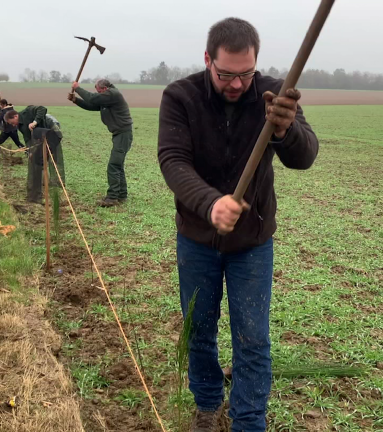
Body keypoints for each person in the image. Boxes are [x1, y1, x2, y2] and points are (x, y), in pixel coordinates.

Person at [157, 18, 319, 432]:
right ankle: (208, 406)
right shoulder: (181, 97)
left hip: (252, 243)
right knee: (199, 330)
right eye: (226, 74)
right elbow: (173, 161)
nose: (236, 84)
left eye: (245, 74)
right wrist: (211, 204)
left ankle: (248, 421)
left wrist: (286, 129)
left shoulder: (274, 95)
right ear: (208, 59)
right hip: (197, 239)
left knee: (252, 338)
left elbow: (305, 156)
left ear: (256, 64)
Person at [68, 79, 133, 207]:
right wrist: (76, 100)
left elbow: (92, 99)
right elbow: (92, 105)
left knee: (113, 165)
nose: (97, 93)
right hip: (119, 134)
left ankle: (112, 198)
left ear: (104, 89)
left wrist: (77, 88)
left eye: (98, 91)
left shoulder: (113, 94)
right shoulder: (107, 98)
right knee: (118, 165)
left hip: (123, 134)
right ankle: (122, 195)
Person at [15, 105, 65, 203]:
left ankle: (55, 183)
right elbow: (28, 138)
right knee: (37, 158)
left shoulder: (27, 111)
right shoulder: (19, 126)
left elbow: (42, 108)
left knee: (51, 156)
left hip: (51, 126)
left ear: (15, 117)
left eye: (11, 123)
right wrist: (30, 152)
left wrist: (35, 122)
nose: (12, 125)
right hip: (41, 135)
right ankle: (39, 186)